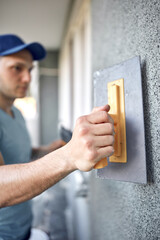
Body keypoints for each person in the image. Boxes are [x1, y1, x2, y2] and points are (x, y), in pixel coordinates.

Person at [0, 34, 115, 240]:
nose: (27, 78)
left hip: (22, 229)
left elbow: (16, 153)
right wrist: (69, 156)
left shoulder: (15, 112)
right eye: (17, 68)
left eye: (30, 69)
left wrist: (48, 150)